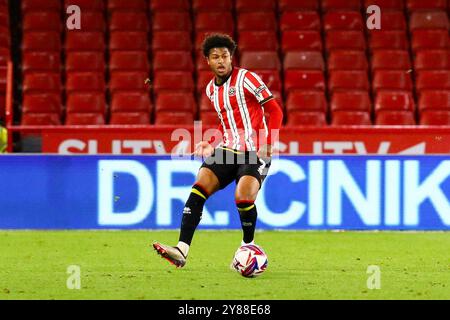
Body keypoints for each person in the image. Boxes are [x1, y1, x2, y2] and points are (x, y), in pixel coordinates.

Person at [153, 33, 284, 268]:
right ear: (208, 61)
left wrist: (268, 141)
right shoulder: (211, 90)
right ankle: (181, 250)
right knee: (199, 186)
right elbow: (228, 123)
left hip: (255, 151)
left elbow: (275, 111)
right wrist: (211, 145)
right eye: (216, 57)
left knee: (243, 197)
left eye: (225, 56)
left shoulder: (247, 79)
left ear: (231, 57)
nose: (221, 61)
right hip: (227, 149)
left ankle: (248, 246)